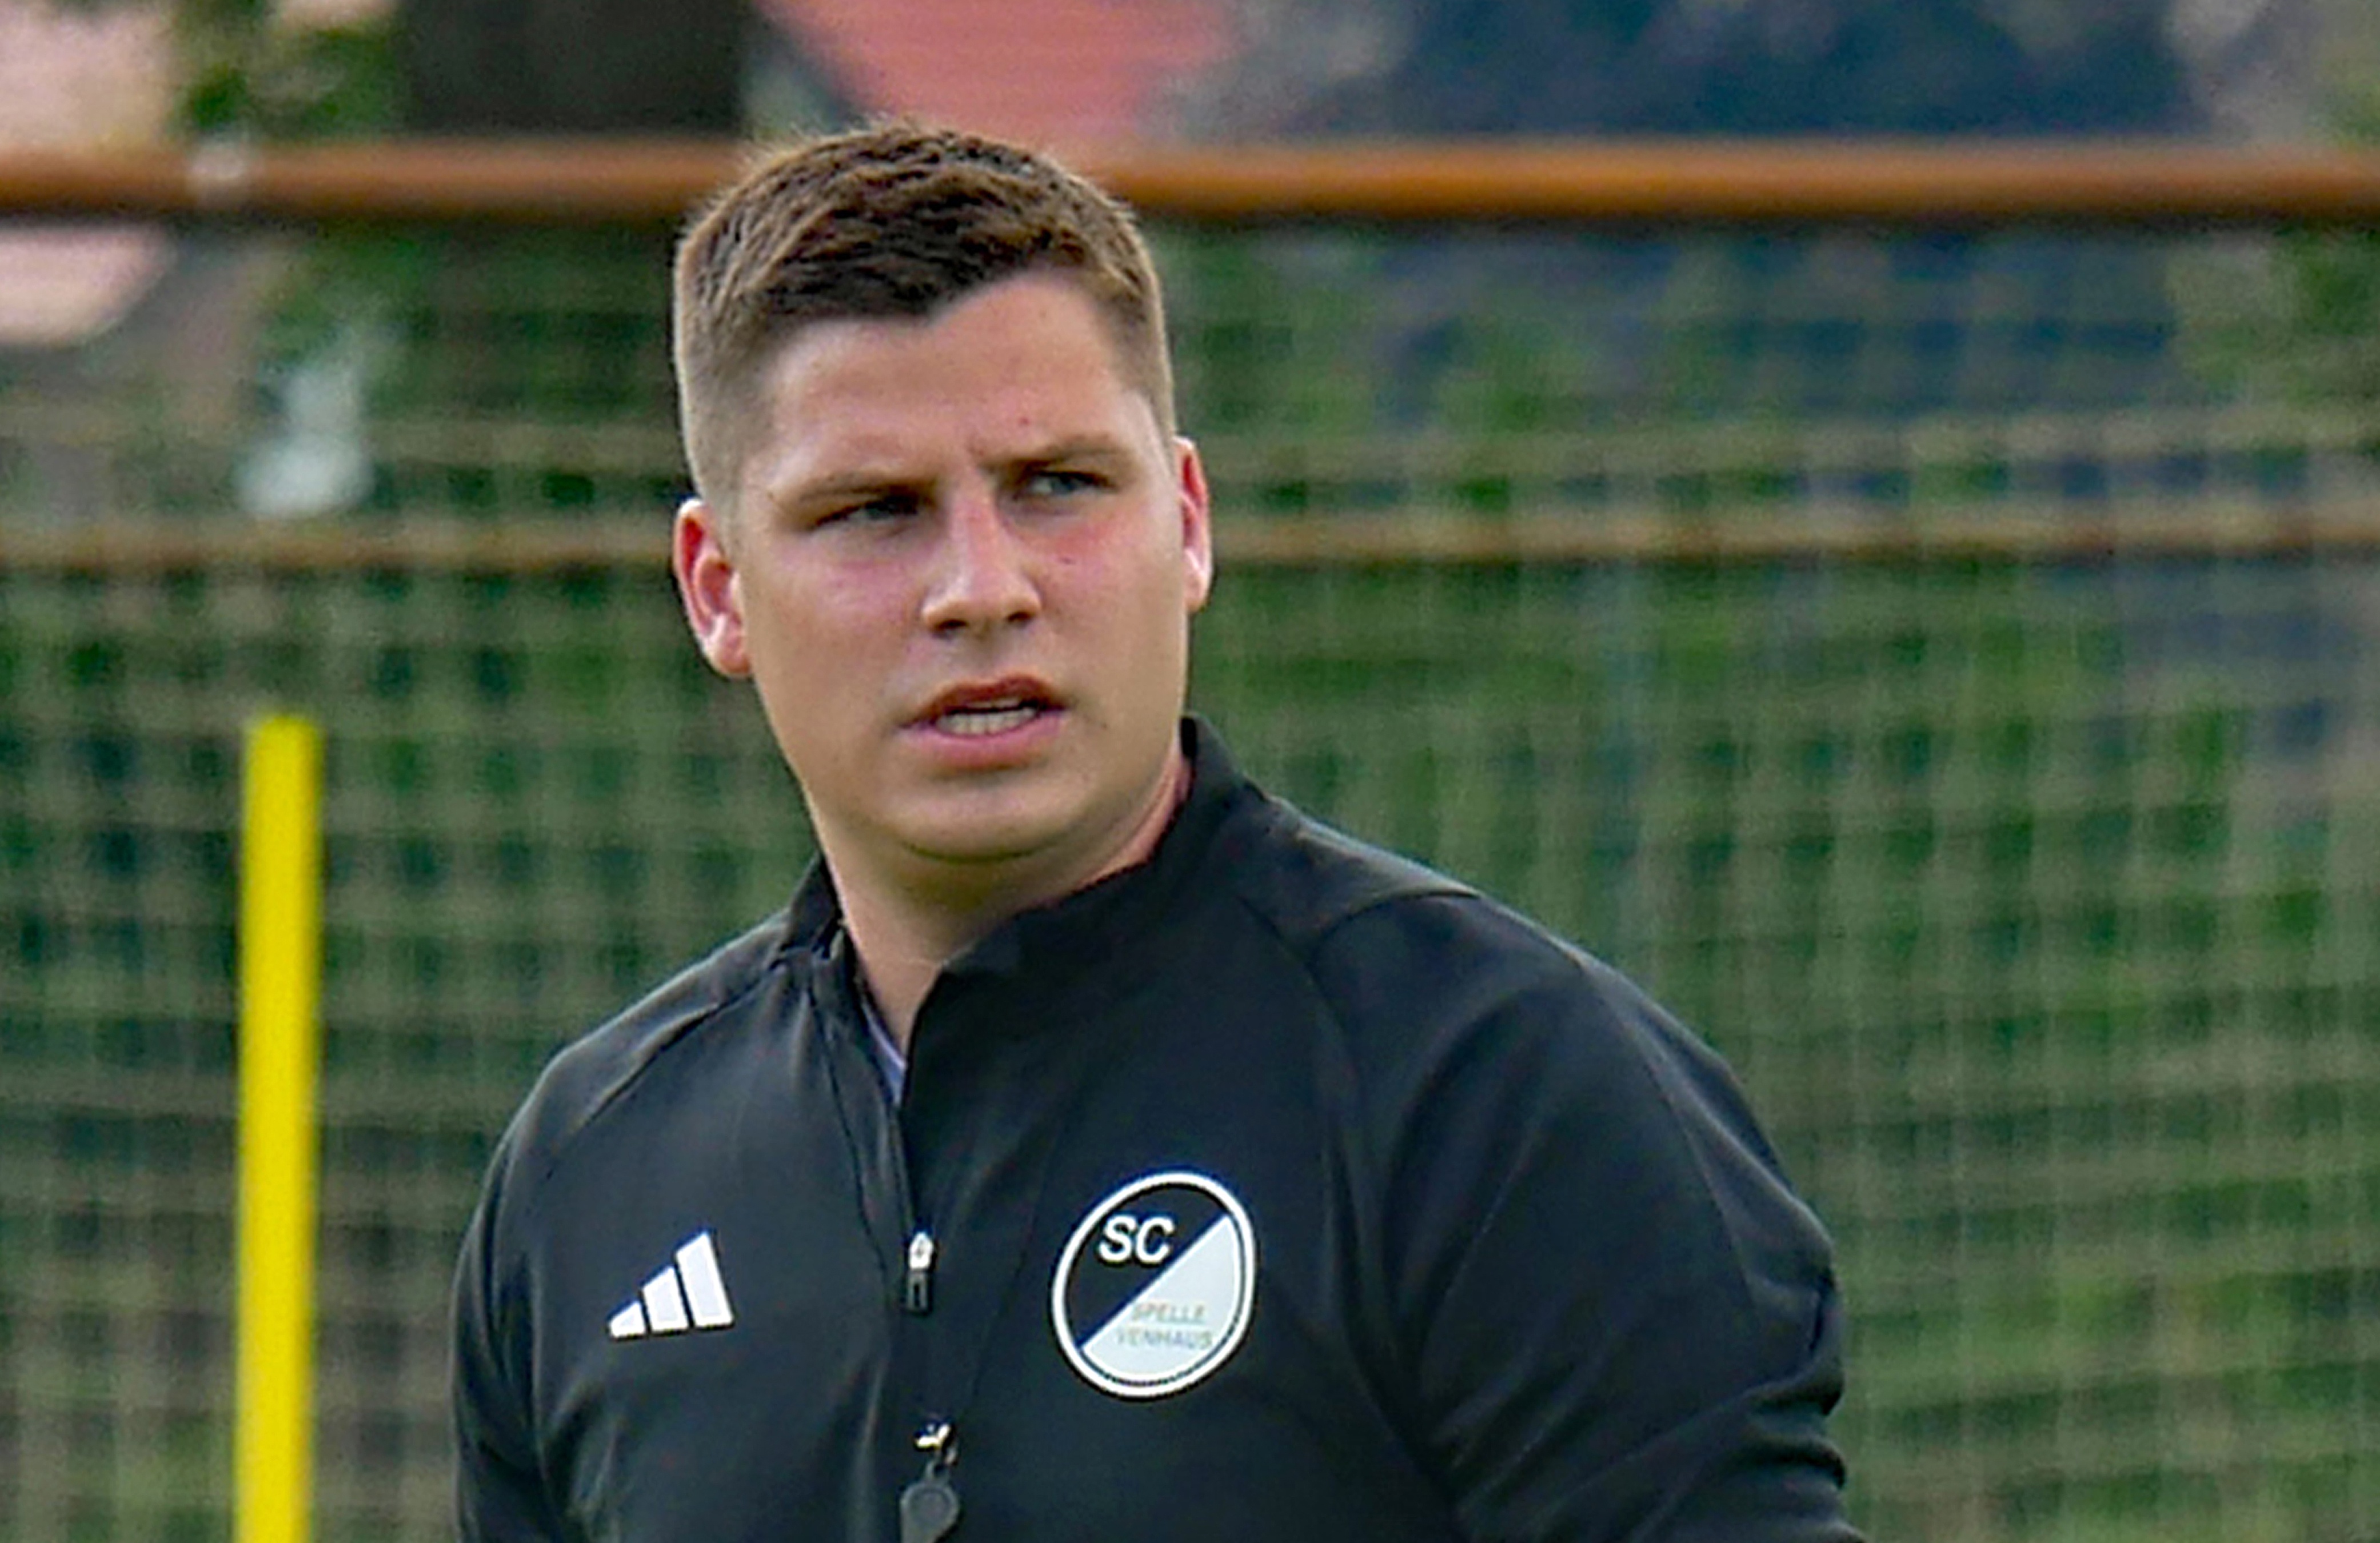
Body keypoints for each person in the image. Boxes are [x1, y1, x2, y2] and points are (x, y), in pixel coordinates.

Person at [451, 121, 1861, 1543]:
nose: (980, 587)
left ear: (1185, 522)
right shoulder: (589, 1177)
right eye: (873, 511)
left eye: (1055, 485)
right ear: (717, 590)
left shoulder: (1497, 1092)